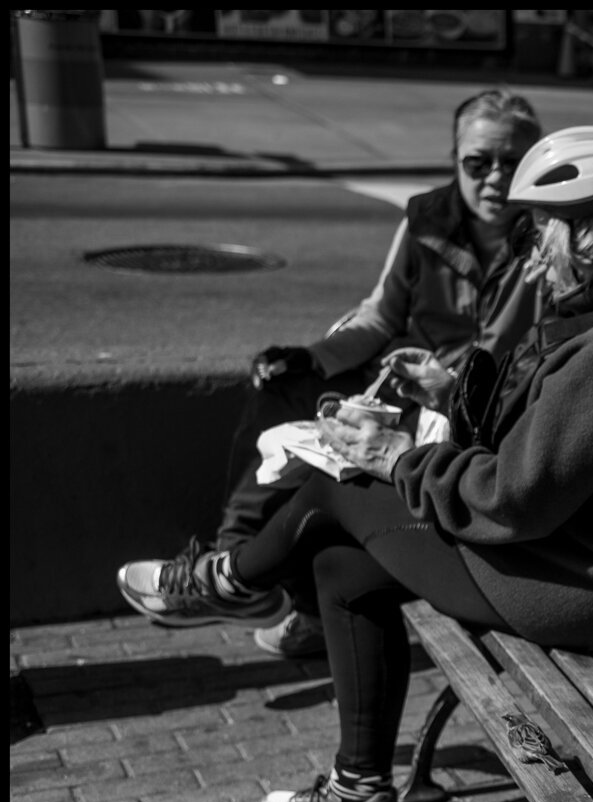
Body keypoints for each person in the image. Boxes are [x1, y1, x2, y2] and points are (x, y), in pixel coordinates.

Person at [112, 127, 593, 802]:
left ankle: (229, 580)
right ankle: (360, 795)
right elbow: (542, 447)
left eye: (543, 231)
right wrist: (450, 390)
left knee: (338, 493)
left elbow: (512, 498)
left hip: (585, 587)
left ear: (591, 237)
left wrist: (398, 455)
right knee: (341, 565)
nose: (533, 252)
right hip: (570, 557)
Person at [116, 89, 545, 659]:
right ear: (455, 160)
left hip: (467, 407)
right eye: (478, 162)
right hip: (411, 380)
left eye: (512, 162)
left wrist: (441, 388)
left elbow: (517, 368)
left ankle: (288, 598)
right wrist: (311, 358)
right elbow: (381, 315)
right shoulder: (426, 218)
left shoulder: (548, 240)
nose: (494, 177)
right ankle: (236, 557)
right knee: (286, 389)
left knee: (337, 468)